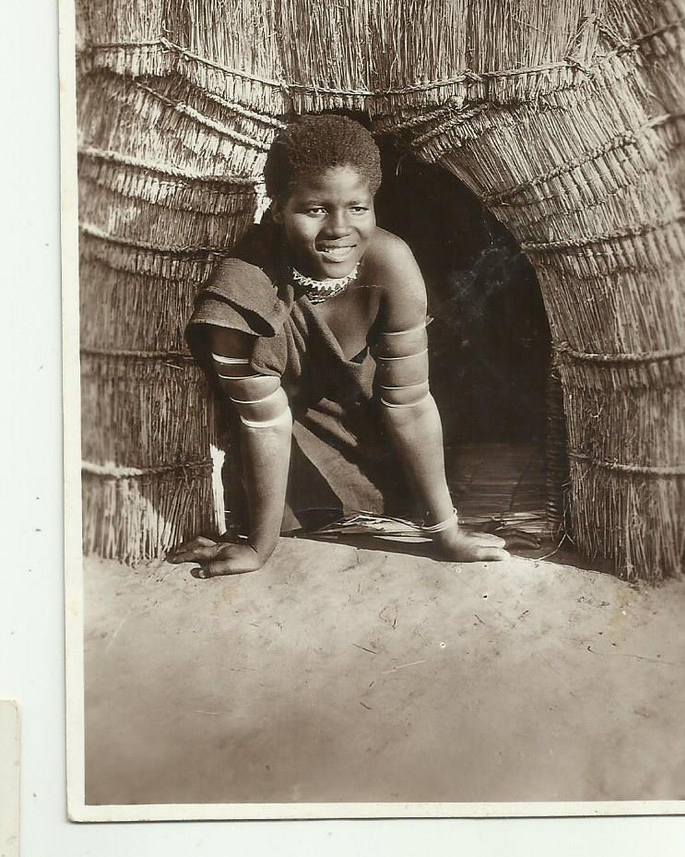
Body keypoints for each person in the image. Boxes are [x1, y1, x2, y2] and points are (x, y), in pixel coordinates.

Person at [168, 114, 507, 578]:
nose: (339, 228)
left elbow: (409, 401)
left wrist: (447, 533)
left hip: (373, 427)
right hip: (282, 445)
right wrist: (258, 549)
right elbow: (263, 425)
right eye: (314, 209)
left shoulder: (389, 261)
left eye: (358, 207)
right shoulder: (242, 294)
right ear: (277, 211)